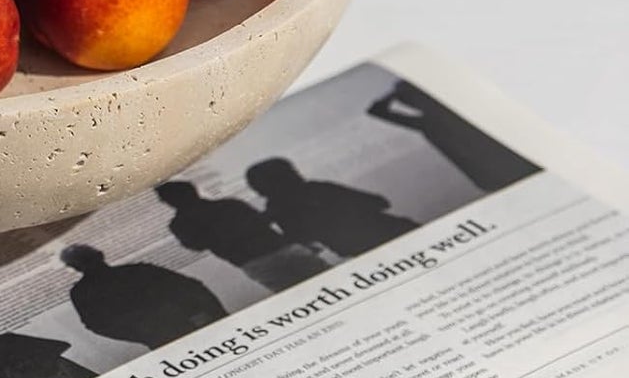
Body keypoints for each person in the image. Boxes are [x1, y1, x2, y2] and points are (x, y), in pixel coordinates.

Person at [366, 79, 540, 192]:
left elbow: (376, 111)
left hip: (503, 172)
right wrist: (397, 92)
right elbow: (376, 111)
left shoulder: (433, 120)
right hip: (506, 170)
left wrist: (395, 93)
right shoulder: (433, 120)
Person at [156, 180, 331, 292]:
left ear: (167, 202)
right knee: (331, 281)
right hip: (281, 248)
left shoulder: (180, 225)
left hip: (254, 262)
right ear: (193, 190)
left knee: (295, 296)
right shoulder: (229, 204)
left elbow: (196, 246)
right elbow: (263, 221)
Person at [59, 244, 226, 348]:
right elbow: (191, 287)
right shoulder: (138, 270)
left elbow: (189, 287)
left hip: (182, 330)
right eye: (85, 260)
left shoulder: (139, 270)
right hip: (171, 335)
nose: (90, 264)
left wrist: (144, 335)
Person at [244, 158, 416, 258]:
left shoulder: (278, 210)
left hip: (366, 252)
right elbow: (380, 202)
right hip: (397, 232)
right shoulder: (317, 188)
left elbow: (305, 242)